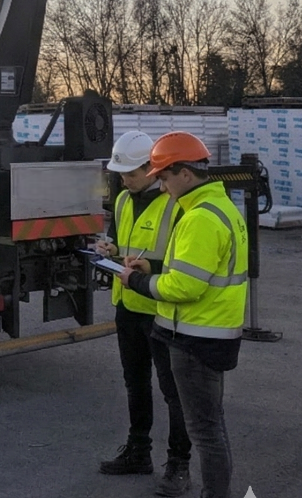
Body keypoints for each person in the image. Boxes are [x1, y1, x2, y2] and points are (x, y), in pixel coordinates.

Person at [119, 131, 248, 498]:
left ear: (185, 174)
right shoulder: (218, 208)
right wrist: (154, 266)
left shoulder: (199, 219)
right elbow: (198, 270)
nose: (161, 186)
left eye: (163, 177)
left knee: (205, 431)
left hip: (196, 338)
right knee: (211, 427)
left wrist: (138, 280)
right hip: (213, 333)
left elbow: (185, 287)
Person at [94, 131, 191, 496]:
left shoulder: (174, 204)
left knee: (173, 391)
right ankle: (138, 451)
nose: (123, 180)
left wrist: (147, 266)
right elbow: (121, 242)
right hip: (129, 306)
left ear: (152, 169)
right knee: (135, 383)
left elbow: (185, 262)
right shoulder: (121, 199)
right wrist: (109, 247)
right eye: (119, 174)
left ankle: (179, 464)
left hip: (163, 311)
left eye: (130, 173)